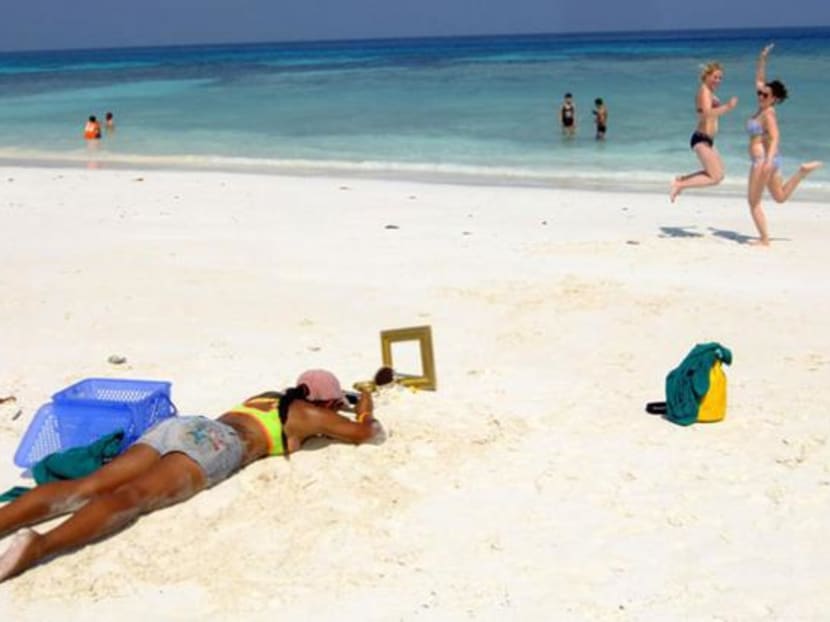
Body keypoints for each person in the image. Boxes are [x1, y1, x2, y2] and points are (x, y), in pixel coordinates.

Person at [0, 369, 383, 582]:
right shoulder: (307, 415)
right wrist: (363, 401)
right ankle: (39, 546)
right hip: (215, 443)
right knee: (133, 497)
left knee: (86, 486)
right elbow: (366, 432)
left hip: (183, 426)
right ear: (325, 402)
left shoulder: (267, 395)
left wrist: (337, 402)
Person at [745, 43, 822, 246]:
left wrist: (768, 162)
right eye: (760, 93)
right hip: (770, 160)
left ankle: (764, 239)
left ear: (774, 99)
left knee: (753, 203)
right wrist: (762, 58)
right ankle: (801, 173)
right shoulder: (762, 107)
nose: (761, 95)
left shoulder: (768, 113)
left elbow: (776, 136)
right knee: (779, 197)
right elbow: (760, 80)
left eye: (765, 95)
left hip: (763, 162)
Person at [670, 62, 738, 202]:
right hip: (701, 139)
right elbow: (707, 114)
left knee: (719, 175)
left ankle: (683, 180)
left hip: (708, 140)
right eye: (715, 77)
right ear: (706, 76)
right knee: (715, 177)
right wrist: (727, 107)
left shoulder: (709, 93)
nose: (718, 81)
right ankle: (680, 184)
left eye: (720, 78)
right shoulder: (704, 91)